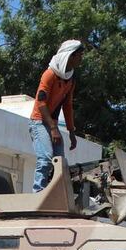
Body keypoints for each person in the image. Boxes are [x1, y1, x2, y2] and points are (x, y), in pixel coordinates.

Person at [29, 39, 85, 192]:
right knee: (46, 159)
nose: (81, 58)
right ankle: (38, 194)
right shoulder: (50, 74)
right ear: (70, 56)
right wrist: (53, 128)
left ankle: (54, 194)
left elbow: (67, 106)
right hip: (39, 121)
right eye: (80, 55)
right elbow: (41, 103)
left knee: (59, 163)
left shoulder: (70, 79)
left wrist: (72, 132)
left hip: (51, 122)